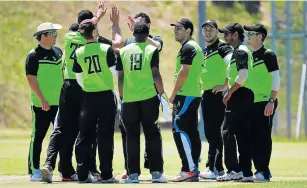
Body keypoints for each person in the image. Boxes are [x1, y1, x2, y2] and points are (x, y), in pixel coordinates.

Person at [41, 3, 123, 183]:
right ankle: (98, 172)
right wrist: (106, 20)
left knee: (69, 129)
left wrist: (97, 19)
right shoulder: (95, 41)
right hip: (92, 90)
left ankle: (68, 169)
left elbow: (86, 32)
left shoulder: (73, 41)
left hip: (72, 86)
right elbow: (116, 47)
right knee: (93, 132)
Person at [117, 22, 168, 184]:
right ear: (147, 35)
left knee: (131, 137)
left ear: (134, 35)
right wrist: (162, 94)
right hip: (148, 99)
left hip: (129, 100)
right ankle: (156, 174)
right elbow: (155, 74)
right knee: (152, 135)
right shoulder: (151, 49)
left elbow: (120, 76)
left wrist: (122, 97)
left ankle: (132, 175)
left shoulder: (123, 51)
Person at [73, 19, 118, 184]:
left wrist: (89, 85)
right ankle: (106, 175)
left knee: (85, 135)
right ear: (94, 32)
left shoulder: (79, 52)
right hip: (106, 96)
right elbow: (114, 72)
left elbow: (78, 78)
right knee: (105, 137)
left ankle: (83, 174)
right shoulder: (106, 49)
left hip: (88, 97)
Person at [216, 23, 254, 182]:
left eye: (227, 34)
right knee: (242, 134)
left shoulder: (240, 51)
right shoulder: (241, 51)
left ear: (236, 34)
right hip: (245, 94)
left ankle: (233, 169)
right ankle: (246, 172)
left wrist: (229, 92)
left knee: (227, 131)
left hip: (239, 94)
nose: (225, 37)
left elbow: (243, 74)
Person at [26, 22, 63, 181]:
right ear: (43, 36)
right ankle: (34, 170)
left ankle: (63, 169)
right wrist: (42, 99)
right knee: (38, 136)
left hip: (59, 104)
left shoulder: (59, 52)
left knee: (61, 137)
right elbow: (31, 78)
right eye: (53, 34)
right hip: (41, 104)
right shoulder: (33, 55)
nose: (56, 37)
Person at [244, 24, 280, 182]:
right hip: (252, 102)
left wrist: (271, 100)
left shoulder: (268, 54)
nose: (248, 35)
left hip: (265, 101)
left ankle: (262, 171)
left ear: (260, 36)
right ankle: (263, 169)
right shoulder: (250, 55)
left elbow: (276, 79)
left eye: (251, 33)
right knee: (252, 137)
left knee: (263, 138)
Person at [169, 18, 203, 182]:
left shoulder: (189, 47)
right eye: (174, 28)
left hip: (186, 94)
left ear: (189, 30)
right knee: (190, 130)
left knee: (179, 127)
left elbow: (184, 72)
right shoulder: (191, 46)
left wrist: (173, 93)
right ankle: (193, 166)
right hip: (191, 93)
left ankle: (189, 169)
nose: (176, 30)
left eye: (179, 28)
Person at [199, 19, 233, 180]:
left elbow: (232, 63)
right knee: (209, 132)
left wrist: (225, 85)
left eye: (211, 29)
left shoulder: (221, 47)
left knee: (213, 132)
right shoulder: (205, 49)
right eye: (205, 29)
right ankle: (217, 168)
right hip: (206, 94)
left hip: (217, 95)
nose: (207, 32)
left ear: (216, 30)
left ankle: (213, 166)